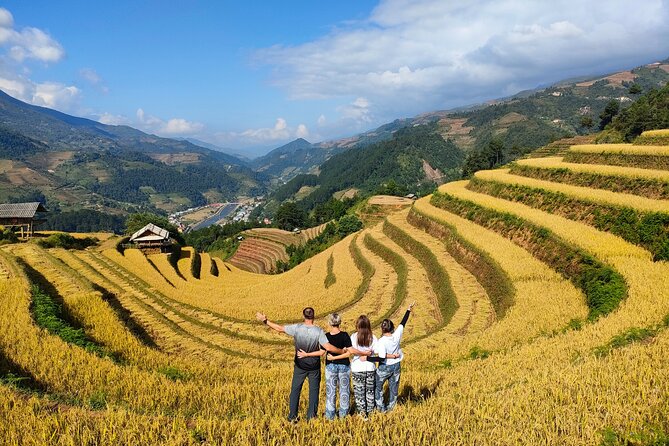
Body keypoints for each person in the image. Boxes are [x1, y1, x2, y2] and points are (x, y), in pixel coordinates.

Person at [255, 307, 344, 422]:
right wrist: (341, 351)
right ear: (314, 316)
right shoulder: (318, 331)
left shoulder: (297, 328)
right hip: (314, 367)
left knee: (295, 390)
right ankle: (311, 417)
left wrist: (265, 321)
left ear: (304, 316)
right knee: (314, 392)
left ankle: (292, 417)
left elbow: (279, 329)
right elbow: (328, 347)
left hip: (300, 366)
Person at [296, 313, 352, 420]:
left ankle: (330, 416)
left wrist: (307, 354)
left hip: (330, 366)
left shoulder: (326, 336)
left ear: (329, 323)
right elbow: (349, 352)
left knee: (331, 391)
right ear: (339, 322)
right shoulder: (345, 335)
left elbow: (321, 352)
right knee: (344, 391)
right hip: (344, 366)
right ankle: (343, 415)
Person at [327, 315, 378, 418]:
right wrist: (367, 354)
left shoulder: (354, 337)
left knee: (359, 393)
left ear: (357, 325)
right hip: (370, 368)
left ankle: (362, 414)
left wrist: (361, 354)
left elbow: (351, 350)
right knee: (370, 392)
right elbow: (377, 352)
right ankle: (371, 413)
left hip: (357, 368)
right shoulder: (373, 337)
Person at [375, 301, 415, 412]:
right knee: (393, 389)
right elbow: (403, 323)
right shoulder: (397, 335)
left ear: (382, 329)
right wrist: (408, 310)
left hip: (385, 366)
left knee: (377, 387)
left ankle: (381, 409)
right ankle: (391, 409)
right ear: (392, 327)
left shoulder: (381, 341)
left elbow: (382, 356)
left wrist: (392, 356)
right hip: (396, 366)